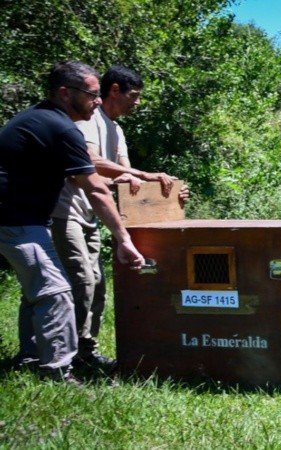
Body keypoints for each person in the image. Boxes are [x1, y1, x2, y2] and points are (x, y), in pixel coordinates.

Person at [0, 61, 145, 383]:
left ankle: (30, 357)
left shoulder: (41, 119)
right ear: (65, 93)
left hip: (22, 219)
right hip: (15, 219)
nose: (97, 100)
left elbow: (87, 182)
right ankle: (57, 372)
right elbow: (95, 187)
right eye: (92, 94)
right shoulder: (61, 127)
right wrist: (123, 240)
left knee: (39, 289)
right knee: (57, 292)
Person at [50, 65, 188, 369]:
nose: (137, 102)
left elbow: (128, 182)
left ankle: (86, 352)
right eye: (134, 95)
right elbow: (89, 162)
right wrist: (137, 174)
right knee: (80, 281)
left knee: (97, 282)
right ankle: (63, 357)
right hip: (66, 210)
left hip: (91, 215)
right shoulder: (88, 120)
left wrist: (171, 192)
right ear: (115, 90)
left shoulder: (118, 130)